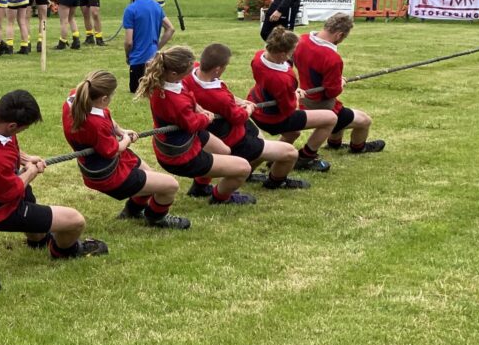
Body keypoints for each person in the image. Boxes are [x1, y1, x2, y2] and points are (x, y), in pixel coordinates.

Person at [0, 90, 110, 259]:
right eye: (23, 128)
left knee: (33, 209)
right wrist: (31, 171)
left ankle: (38, 241)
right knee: (75, 221)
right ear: (12, 126)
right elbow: (8, 193)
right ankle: (64, 252)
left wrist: (24, 158)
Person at [63, 71, 190, 229]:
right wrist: (127, 140)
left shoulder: (76, 98)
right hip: (107, 174)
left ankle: (132, 211)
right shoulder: (96, 124)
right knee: (171, 185)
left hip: (107, 162)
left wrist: (120, 130)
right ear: (103, 99)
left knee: (149, 175)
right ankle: (156, 218)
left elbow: (105, 117)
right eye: (111, 95)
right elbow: (114, 150)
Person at [136, 46, 256, 206]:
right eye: (189, 71)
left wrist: (200, 109)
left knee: (224, 151)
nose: (193, 72)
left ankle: (199, 187)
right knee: (244, 168)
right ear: (174, 73)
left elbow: (187, 97)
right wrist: (206, 118)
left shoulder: (170, 81)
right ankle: (220, 198)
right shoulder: (172, 99)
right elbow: (192, 123)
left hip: (186, 135)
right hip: (180, 153)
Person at [184, 43, 308, 194]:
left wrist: (238, 101)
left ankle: (200, 186)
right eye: (225, 66)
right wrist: (249, 108)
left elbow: (223, 96)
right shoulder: (218, 98)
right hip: (234, 138)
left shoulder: (190, 74)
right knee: (290, 153)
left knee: (259, 137)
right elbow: (238, 116)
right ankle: (275, 181)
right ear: (217, 69)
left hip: (219, 130)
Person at [247, 27, 337, 172]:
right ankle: (305, 158)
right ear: (283, 54)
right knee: (331, 118)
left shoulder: (259, 57)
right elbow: (289, 109)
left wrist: (291, 90)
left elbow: (273, 86)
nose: (294, 52)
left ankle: (266, 163)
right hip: (272, 118)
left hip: (257, 105)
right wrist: (294, 96)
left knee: (292, 133)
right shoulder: (282, 79)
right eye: (293, 50)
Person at [293, 13, 386, 155]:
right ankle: (358, 148)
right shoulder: (332, 58)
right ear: (339, 35)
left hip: (304, 96)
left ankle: (334, 144)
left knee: (342, 113)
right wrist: (340, 82)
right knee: (364, 120)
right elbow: (332, 91)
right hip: (320, 104)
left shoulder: (301, 40)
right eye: (344, 38)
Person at [122, 0, 175, 93]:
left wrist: (127, 56)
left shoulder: (131, 9)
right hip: (153, 61)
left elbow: (129, 42)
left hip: (138, 61)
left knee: (136, 91)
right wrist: (157, 47)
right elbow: (170, 29)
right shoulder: (156, 5)